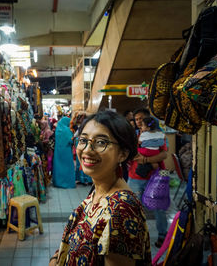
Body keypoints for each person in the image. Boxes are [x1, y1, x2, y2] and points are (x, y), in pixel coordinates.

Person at [49, 111, 151, 266]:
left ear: (122, 154)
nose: (87, 150)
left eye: (101, 142)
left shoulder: (122, 210)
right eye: (83, 140)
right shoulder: (99, 191)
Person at [127, 108, 168, 248]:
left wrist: (145, 160)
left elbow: (164, 155)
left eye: (141, 119)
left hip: (157, 176)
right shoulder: (133, 136)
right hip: (135, 176)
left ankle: (163, 236)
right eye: (136, 119)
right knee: (133, 208)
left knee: (160, 208)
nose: (138, 122)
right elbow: (130, 154)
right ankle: (134, 236)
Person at [52, 117, 76, 188]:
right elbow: (71, 140)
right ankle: (67, 183)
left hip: (58, 151)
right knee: (67, 166)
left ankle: (58, 182)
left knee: (59, 166)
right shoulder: (67, 130)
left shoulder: (58, 129)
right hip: (66, 151)